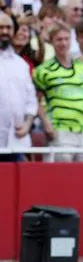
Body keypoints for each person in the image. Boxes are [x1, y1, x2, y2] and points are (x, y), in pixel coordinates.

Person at [34, 24, 83, 162]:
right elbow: (35, 101)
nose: (63, 43)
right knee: (59, 177)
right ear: (51, 42)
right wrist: (46, 123)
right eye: (59, 39)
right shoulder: (43, 70)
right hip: (58, 130)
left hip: (81, 130)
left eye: (66, 39)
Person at [0, 13, 37, 162]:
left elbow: (31, 100)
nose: (4, 32)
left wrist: (28, 124)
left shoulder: (20, 64)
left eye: (8, 28)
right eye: (0, 27)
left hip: (16, 141)